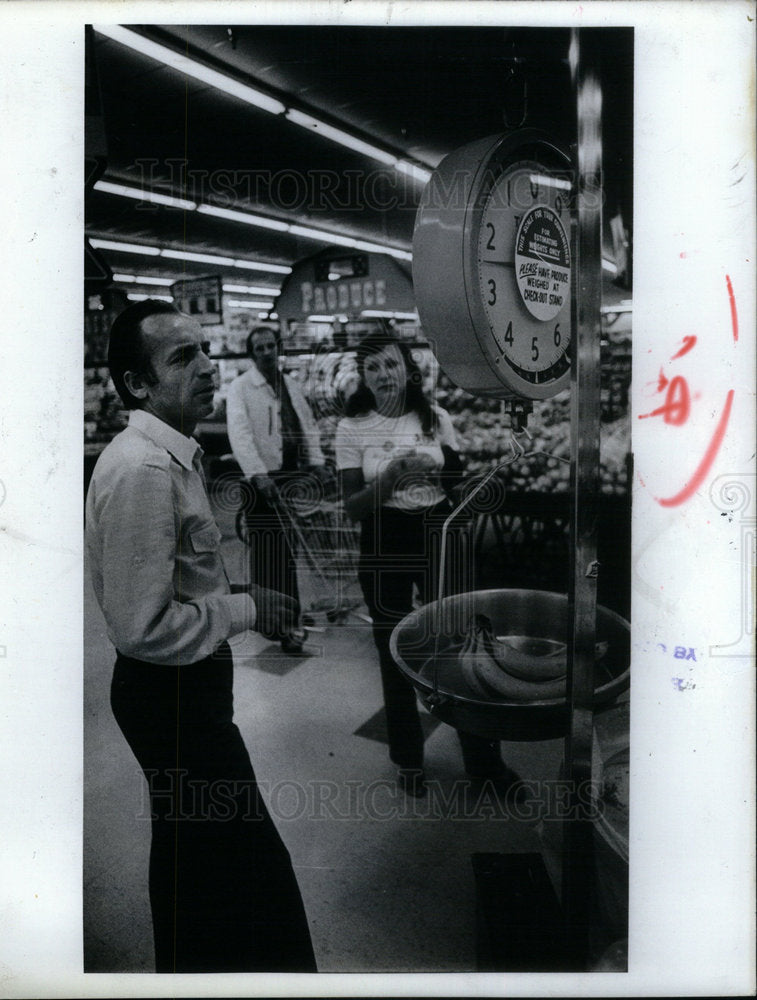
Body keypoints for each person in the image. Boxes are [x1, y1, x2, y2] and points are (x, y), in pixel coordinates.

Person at [85, 300, 317, 973]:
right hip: (171, 699)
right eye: (181, 357)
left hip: (186, 689)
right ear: (137, 385)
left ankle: (188, 974)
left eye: (203, 349)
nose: (206, 366)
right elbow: (141, 628)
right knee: (249, 867)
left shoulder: (171, 456)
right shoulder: (143, 470)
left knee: (196, 861)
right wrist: (246, 608)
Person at [335, 330, 520, 798]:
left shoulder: (436, 418)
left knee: (460, 642)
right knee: (394, 648)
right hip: (383, 537)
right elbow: (353, 506)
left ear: (408, 370)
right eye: (372, 367)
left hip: (438, 530)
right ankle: (408, 758)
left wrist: (440, 472)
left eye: (390, 364)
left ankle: (484, 761)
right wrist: (391, 478)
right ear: (363, 376)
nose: (382, 375)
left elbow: (457, 479)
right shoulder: (352, 427)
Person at [226, 325, 330, 654]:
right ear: (251, 353)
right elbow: (239, 434)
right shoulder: (241, 388)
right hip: (260, 482)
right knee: (270, 553)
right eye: (260, 348)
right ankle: (276, 622)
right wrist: (258, 474)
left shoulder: (290, 385)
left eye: (271, 346)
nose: (267, 352)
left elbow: (307, 424)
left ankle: (291, 615)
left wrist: (317, 461)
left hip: (289, 476)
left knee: (289, 552)